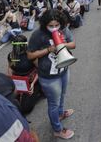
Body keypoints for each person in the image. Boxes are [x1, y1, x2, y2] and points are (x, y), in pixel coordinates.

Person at [27, 10, 76, 139]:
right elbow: (30, 55)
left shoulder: (64, 29)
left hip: (63, 70)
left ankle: (60, 114)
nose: (54, 28)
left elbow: (73, 44)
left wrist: (61, 44)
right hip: (49, 77)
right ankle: (57, 129)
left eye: (56, 25)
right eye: (51, 25)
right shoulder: (38, 35)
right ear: (45, 24)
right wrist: (48, 49)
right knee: (53, 103)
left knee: (62, 95)